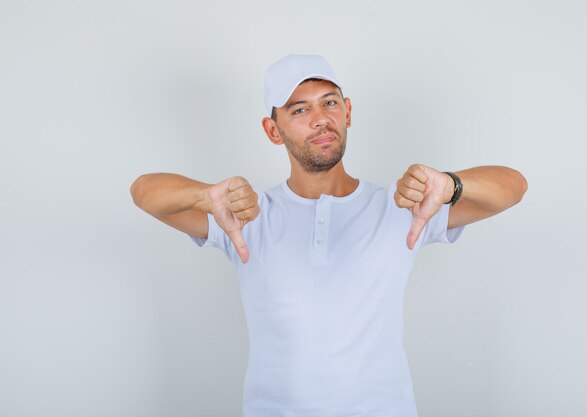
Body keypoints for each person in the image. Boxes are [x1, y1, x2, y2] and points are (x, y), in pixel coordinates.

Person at [130, 54, 527, 417]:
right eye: (299, 109)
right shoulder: (246, 215)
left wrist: (452, 185)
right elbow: (144, 192)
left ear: (348, 111)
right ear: (273, 130)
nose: (320, 118)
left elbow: (513, 187)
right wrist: (204, 195)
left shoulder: (402, 206)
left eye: (329, 102)